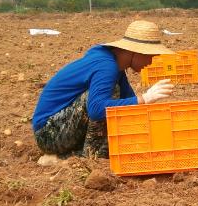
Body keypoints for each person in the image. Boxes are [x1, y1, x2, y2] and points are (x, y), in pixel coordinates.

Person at [31, 20, 176, 158]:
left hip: (63, 126)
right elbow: (96, 109)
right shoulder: (107, 66)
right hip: (48, 134)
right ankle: (85, 155)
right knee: (110, 96)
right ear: (136, 52)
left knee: (120, 123)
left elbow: (131, 107)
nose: (152, 61)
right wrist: (145, 98)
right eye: (150, 55)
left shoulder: (116, 65)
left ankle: (87, 151)